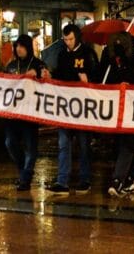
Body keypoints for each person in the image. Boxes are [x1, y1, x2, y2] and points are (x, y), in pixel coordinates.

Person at [95, 31, 134, 196]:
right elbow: (101, 81)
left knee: (127, 144)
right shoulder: (109, 63)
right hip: (115, 113)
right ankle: (131, 177)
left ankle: (118, 180)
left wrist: (131, 87)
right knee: (119, 145)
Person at [49, 24, 99, 196]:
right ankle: (62, 181)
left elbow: (97, 78)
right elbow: (58, 75)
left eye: (70, 39)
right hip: (65, 107)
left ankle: (85, 179)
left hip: (83, 109)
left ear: (77, 37)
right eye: (65, 39)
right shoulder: (62, 54)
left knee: (84, 145)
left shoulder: (88, 54)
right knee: (63, 144)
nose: (68, 42)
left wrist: (89, 79)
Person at [4, 34, 49, 190]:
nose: (19, 49)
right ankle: (23, 171)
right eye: (16, 46)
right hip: (13, 113)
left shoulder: (38, 65)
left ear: (28, 48)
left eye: (22, 46)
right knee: (10, 143)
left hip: (30, 113)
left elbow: (47, 83)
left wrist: (40, 75)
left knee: (31, 147)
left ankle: (25, 177)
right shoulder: (11, 66)